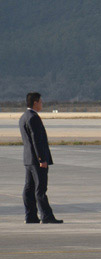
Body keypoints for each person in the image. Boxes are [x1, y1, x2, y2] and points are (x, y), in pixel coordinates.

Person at [19, 92, 62, 224]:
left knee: (29, 188)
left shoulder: (23, 117)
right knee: (40, 189)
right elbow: (36, 140)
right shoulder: (33, 117)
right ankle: (46, 216)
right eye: (41, 102)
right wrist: (41, 159)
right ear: (35, 103)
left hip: (28, 159)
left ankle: (30, 216)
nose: (42, 104)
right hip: (36, 160)